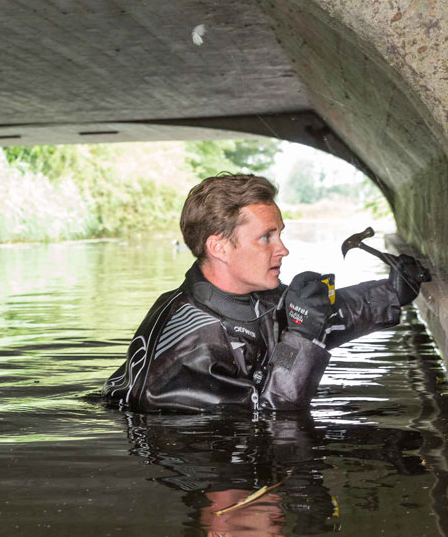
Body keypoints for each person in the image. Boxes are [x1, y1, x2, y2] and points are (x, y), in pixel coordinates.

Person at [102, 173, 429, 412]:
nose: (283, 249)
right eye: (266, 238)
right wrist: (303, 338)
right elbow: (270, 419)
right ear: (220, 247)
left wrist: (390, 292)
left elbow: (311, 320)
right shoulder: (196, 344)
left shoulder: (254, 295)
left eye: (280, 235)